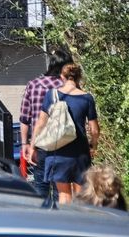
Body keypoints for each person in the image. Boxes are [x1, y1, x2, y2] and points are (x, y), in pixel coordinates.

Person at [31, 63, 100, 205]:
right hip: (80, 151)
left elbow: (41, 123)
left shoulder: (52, 94)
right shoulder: (87, 98)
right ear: (79, 77)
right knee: (81, 194)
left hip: (58, 150)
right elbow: (94, 130)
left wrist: (32, 146)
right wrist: (93, 146)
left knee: (63, 194)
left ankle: (66, 223)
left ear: (62, 76)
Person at [19, 48, 71, 204]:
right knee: (61, 190)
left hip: (39, 144)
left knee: (40, 185)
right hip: (64, 144)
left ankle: (41, 221)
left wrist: (25, 144)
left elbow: (24, 118)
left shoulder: (33, 84)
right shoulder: (67, 86)